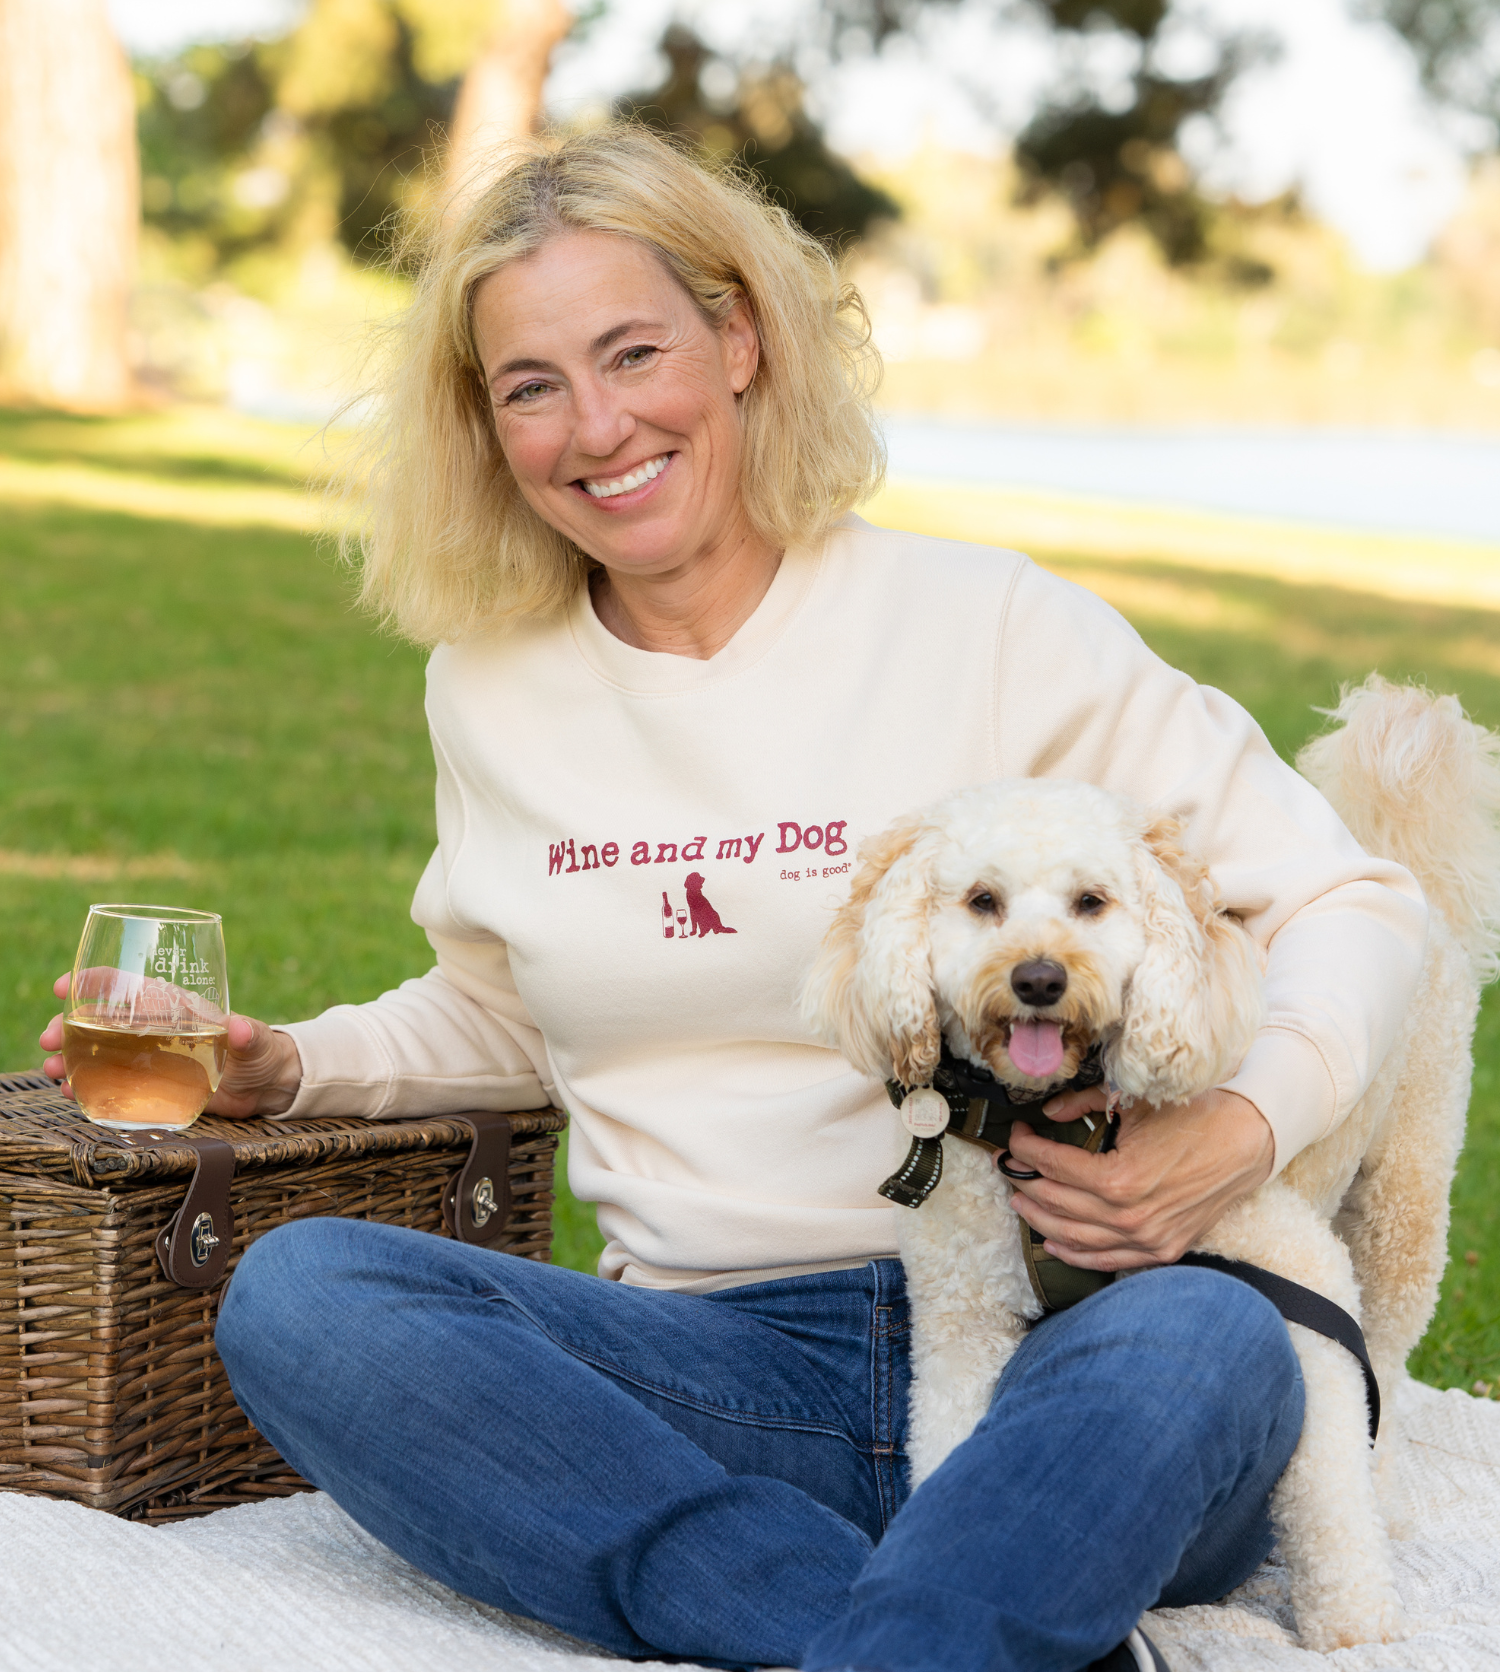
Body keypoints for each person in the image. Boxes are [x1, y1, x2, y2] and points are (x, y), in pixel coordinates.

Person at [40, 125, 1423, 1672]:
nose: (598, 425)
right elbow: (513, 1006)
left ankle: (917, 1610)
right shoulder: (490, 692)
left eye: (636, 352)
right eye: (531, 386)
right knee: (304, 1296)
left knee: (1219, 1338)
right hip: (715, 1361)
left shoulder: (992, 624)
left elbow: (1354, 896)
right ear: (484, 428)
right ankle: (920, 1632)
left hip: (1071, 1336)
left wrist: (1237, 1133)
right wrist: (290, 1065)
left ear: (741, 340)